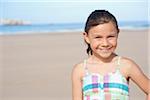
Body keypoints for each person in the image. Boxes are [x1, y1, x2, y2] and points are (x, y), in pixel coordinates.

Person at [71, 10, 150, 100]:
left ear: (117, 34)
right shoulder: (80, 70)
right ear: (87, 37)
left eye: (110, 37)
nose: (105, 43)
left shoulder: (126, 65)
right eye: (98, 37)